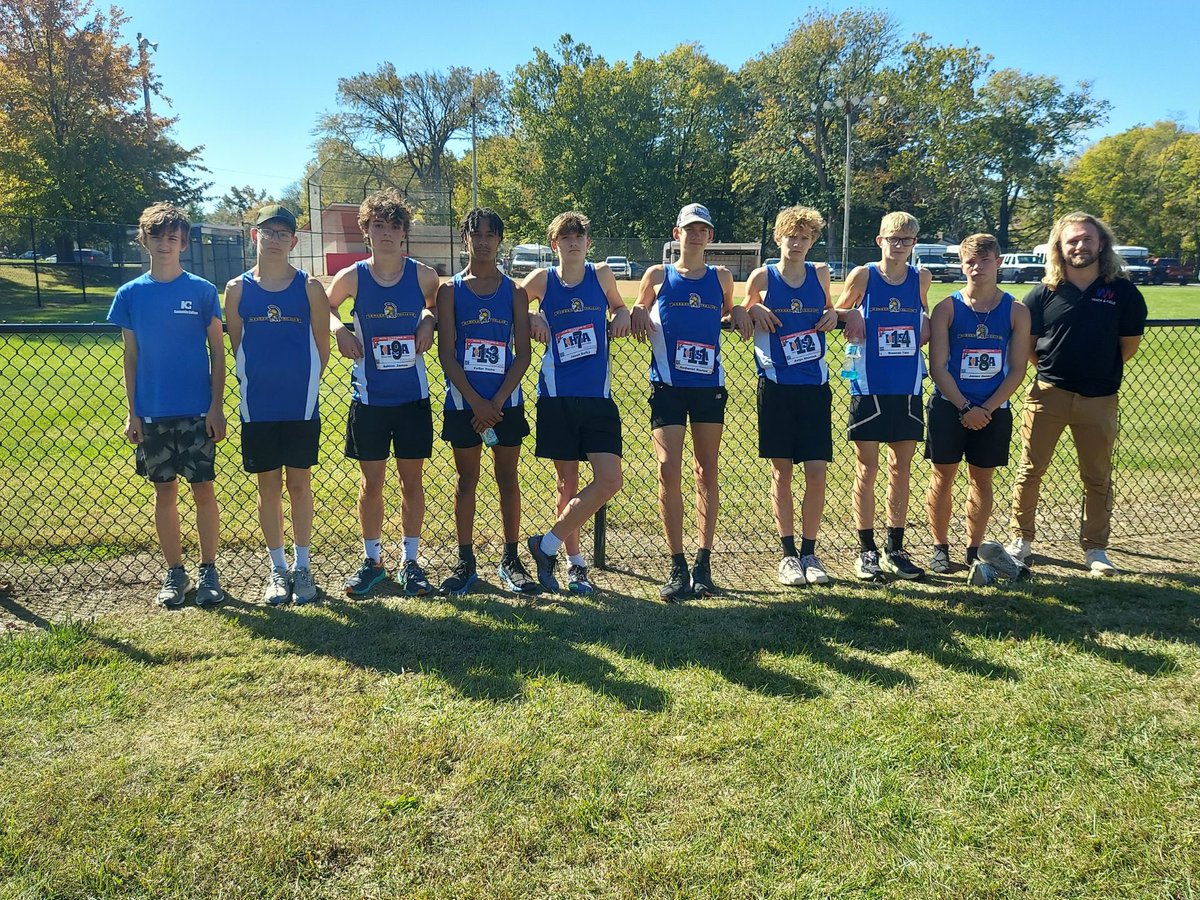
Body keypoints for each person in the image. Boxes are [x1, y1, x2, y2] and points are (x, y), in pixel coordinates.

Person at [1007, 212, 1147, 576]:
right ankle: (1021, 540)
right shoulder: (1043, 293)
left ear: (1101, 244)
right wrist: (1055, 371)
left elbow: (1128, 346)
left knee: (1097, 477)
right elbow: (1029, 347)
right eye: (1072, 240)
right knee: (1030, 471)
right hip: (1048, 394)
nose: (1080, 246)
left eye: (1087, 239)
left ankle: (1095, 549)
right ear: (1059, 247)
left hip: (1099, 398)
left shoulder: (1123, 292)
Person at [107, 202, 226, 609]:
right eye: (157, 236)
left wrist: (216, 407)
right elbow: (131, 356)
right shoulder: (130, 294)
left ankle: (209, 571)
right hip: (153, 412)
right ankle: (176, 572)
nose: (165, 244)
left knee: (203, 490)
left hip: (197, 412)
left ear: (184, 243)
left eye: (173, 237)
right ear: (144, 240)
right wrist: (133, 412)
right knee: (165, 493)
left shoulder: (202, 291)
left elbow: (218, 352)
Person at [631, 203, 751, 602]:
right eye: (689, 229)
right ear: (677, 233)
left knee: (705, 471)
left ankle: (703, 563)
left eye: (703, 229)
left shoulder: (721, 277)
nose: (696, 235)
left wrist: (741, 311)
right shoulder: (658, 275)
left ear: (710, 236)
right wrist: (636, 311)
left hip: (708, 387)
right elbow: (639, 308)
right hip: (667, 386)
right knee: (668, 470)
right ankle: (676, 564)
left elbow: (731, 309)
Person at [327, 189, 440, 598]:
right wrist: (339, 330)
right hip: (370, 399)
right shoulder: (352, 276)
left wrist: (428, 320)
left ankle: (410, 561)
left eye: (395, 226)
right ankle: (373, 561)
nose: (387, 233)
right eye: (379, 226)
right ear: (366, 232)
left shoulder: (423, 275)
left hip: (412, 397)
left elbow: (435, 305)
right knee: (371, 483)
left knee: (412, 482)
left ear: (404, 232)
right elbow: (326, 306)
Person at [224, 205, 330, 605]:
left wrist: (303, 384)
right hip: (258, 406)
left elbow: (322, 346)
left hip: (300, 405)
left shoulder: (310, 288)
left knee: (299, 485)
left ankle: (303, 568)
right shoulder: (236, 289)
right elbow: (238, 345)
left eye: (283, 234)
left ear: (293, 242)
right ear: (255, 236)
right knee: (267, 486)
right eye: (267, 232)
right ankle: (278, 569)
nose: (274, 239)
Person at [522, 211, 630, 594]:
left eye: (579, 236)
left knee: (610, 479)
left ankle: (546, 545)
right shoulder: (543, 279)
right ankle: (575, 565)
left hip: (597, 396)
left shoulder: (601, 275)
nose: (573, 242)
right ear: (555, 245)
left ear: (588, 243)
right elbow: (511, 302)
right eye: (565, 237)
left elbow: (619, 306)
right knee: (567, 483)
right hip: (557, 396)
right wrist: (532, 316)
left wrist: (623, 313)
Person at [437, 207, 538, 596]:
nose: (482, 241)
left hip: (504, 403)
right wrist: (476, 403)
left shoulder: (514, 292)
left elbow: (523, 354)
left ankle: (511, 559)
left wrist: (495, 402)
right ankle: (465, 562)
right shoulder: (450, 291)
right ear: (465, 238)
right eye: (475, 234)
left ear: (499, 240)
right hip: (464, 404)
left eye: (490, 234)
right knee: (467, 481)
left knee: (507, 479)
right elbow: (447, 354)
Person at [924, 233, 1031, 585]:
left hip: (993, 409)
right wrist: (966, 406)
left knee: (981, 479)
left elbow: (1017, 369)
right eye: (970, 261)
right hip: (950, 405)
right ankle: (940, 546)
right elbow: (938, 367)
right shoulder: (947, 308)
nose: (977, 267)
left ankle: (973, 549)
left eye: (984, 260)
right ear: (961, 265)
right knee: (942, 476)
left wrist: (986, 408)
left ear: (998, 262)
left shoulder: (1016, 311)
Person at [742, 206, 839, 587]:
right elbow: (740, 312)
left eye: (804, 237)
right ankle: (787, 555)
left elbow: (831, 309)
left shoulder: (820, 273)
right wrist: (753, 307)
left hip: (814, 386)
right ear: (778, 238)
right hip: (776, 386)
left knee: (816, 472)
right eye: (790, 237)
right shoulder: (762, 276)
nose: (796, 243)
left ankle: (809, 553)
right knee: (781, 473)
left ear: (812, 241)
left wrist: (835, 314)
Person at [835, 211, 931, 582]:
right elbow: (837, 310)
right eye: (893, 238)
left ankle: (895, 548)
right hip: (869, 386)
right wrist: (851, 316)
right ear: (880, 241)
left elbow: (923, 316)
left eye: (906, 240)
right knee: (868, 468)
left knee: (900, 468)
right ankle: (866, 550)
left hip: (907, 386)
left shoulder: (921, 277)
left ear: (914, 244)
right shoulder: (864, 275)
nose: (899, 245)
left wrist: (925, 324)